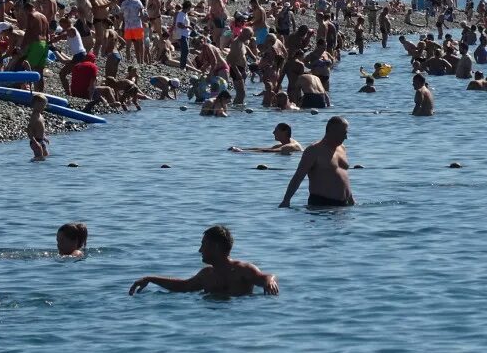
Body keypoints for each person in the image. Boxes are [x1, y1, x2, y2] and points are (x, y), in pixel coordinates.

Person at [129, 225, 278, 297]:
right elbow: (182, 286)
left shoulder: (243, 270)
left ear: (216, 247)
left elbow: (264, 277)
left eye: (203, 245)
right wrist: (150, 279)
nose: (200, 250)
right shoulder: (207, 274)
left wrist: (269, 280)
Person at [279, 116, 355, 208]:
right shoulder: (314, 150)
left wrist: (351, 199)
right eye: (344, 133)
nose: (346, 137)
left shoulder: (342, 148)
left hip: (343, 207)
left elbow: (344, 177)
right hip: (321, 206)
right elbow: (298, 177)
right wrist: (286, 200)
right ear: (332, 130)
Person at [228, 123, 303, 155]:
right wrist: (242, 149)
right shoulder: (287, 142)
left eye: (276, 131)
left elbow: (268, 151)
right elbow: (265, 148)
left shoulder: (289, 146)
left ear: (284, 132)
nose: (273, 132)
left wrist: (241, 152)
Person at [28, 93, 49, 160]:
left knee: (45, 156)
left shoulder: (40, 115)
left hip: (41, 140)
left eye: (44, 105)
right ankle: (33, 166)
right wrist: (34, 141)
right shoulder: (34, 116)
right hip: (35, 141)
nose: (44, 107)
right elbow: (29, 129)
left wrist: (44, 137)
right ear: (35, 105)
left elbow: (40, 129)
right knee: (38, 157)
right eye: (42, 105)